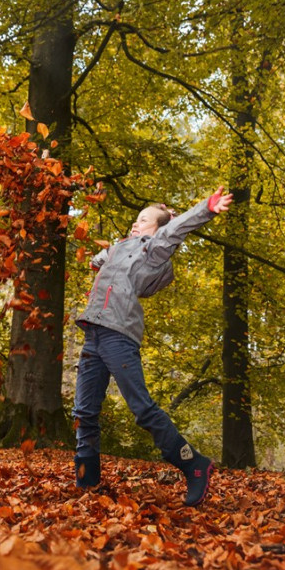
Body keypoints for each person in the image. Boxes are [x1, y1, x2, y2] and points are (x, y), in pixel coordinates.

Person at [72, 186, 232, 506]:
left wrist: (206, 207)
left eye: (143, 220)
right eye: (136, 219)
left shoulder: (154, 248)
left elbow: (176, 229)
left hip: (119, 334)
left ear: (157, 228)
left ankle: (193, 464)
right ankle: (86, 486)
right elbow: (101, 258)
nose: (136, 223)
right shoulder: (121, 248)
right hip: (93, 333)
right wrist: (98, 260)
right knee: (84, 412)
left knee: (142, 409)